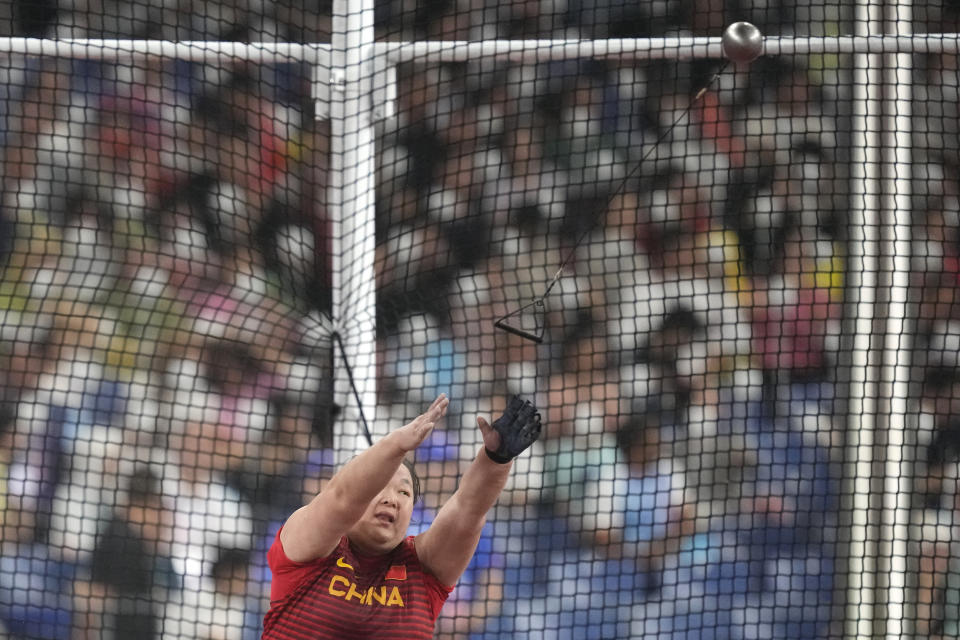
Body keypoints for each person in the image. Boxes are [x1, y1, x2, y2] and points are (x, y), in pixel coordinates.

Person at [261, 392, 542, 639]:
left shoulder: (423, 569)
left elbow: (468, 511)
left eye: (404, 493)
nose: (391, 499)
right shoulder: (307, 548)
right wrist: (395, 445)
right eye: (379, 488)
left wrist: (495, 460)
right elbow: (341, 499)